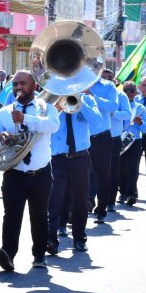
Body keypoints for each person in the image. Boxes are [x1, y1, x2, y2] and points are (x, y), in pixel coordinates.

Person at [0, 70, 59, 271]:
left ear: (34, 86)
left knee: (39, 215)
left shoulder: (46, 108)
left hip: (41, 173)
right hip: (14, 172)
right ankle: (8, 253)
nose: (18, 87)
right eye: (15, 84)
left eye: (23, 84)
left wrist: (25, 119)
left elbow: (53, 125)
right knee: (11, 215)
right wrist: (0, 137)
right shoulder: (5, 111)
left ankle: (39, 255)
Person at [46, 92, 100, 255]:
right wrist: (57, 106)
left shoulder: (88, 99)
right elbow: (44, 123)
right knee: (54, 199)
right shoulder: (50, 99)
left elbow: (97, 121)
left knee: (80, 199)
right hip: (57, 158)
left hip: (80, 157)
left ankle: (79, 237)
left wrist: (80, 103)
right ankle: (50, 240)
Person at [87, 73, 119, 224]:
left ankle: (101, 209)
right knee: (76, 175)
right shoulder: (75, 82)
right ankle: (78, 208)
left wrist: (91, 95)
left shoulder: (108, 86)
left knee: (102, 174)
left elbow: (113, 106)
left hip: (101, 136)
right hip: (80, 137)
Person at [119, 82, 146, 206]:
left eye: (132, 90)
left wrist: (140, 122)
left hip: (135, 140)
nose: (129, 93)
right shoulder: (118, 106)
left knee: (133, 168)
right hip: (119, 140)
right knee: (120, 168)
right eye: (126, 90)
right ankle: (122, 192)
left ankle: (132, 194)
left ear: (136, 93)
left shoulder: (140, 108)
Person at [104, 69, 131, 212]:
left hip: (113, 137)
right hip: (94, 138)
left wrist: (113, 113)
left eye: (110, 77)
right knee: (91, 171)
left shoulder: (120, 95)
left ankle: (110, 201)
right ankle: (90, 200)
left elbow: (128, 114)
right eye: (104, 77)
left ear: (114, 79)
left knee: (112, 170)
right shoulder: (93, 94)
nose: (107, 80)